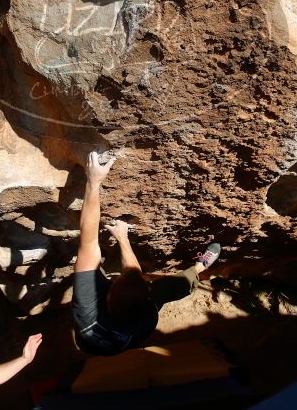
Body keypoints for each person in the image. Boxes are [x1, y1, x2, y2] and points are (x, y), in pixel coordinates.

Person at [72, 150, 221, 356]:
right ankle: (198, 269)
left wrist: (93, 182)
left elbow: (88, 241)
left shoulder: (87, 307)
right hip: (117, 340)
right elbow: (136, 276)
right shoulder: (148, 320)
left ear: (108, 298)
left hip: (89, 343)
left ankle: (197, 269)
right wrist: (122, 237)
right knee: (169, 289)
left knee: (90, 265)